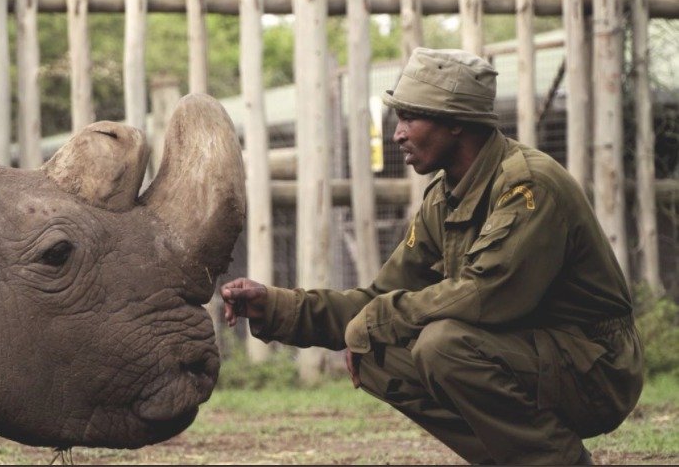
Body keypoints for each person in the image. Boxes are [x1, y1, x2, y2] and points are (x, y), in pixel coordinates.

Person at [220, 47, 643, 465]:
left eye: (409, 117)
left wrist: (377, 317)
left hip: (596, 370)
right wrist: (275, 306)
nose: (397, 133)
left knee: (442, 345)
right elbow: (381, 297)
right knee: (376, 355)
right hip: (531, 358)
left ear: (456, 122)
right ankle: (519, 457)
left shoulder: (528, 186)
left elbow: (487, 296)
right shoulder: (445, 198)